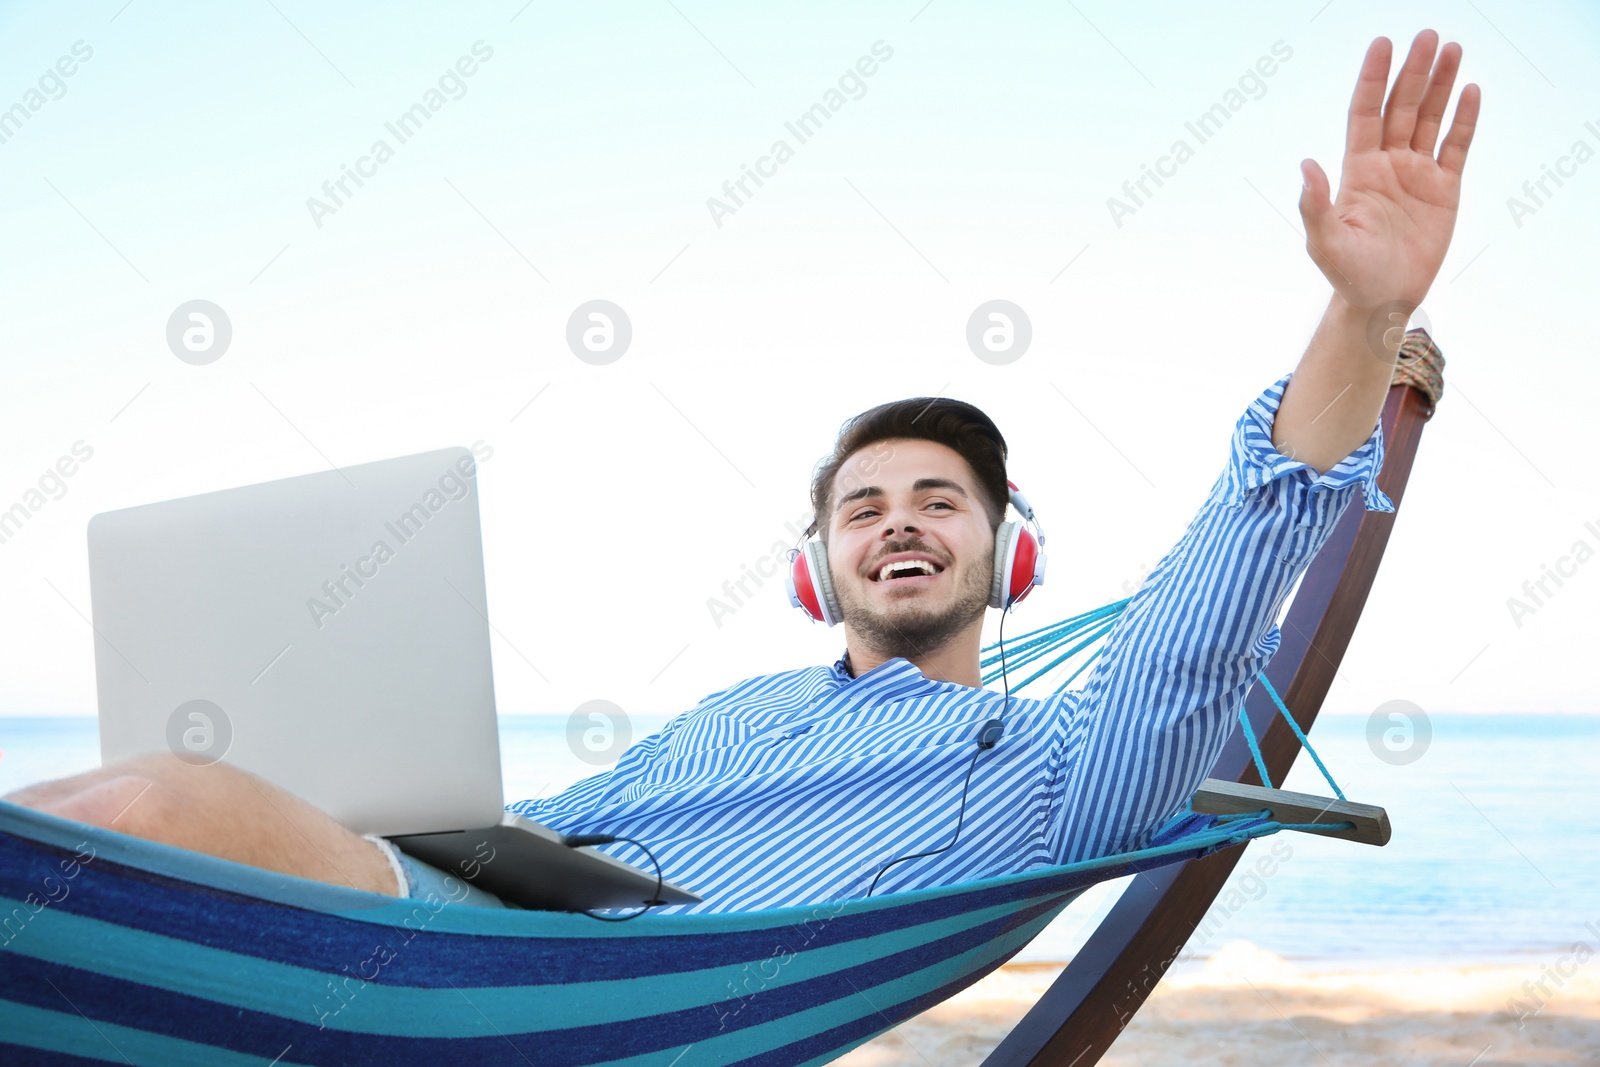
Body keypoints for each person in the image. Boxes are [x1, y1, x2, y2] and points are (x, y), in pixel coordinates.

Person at [4, 30, 1478, 914]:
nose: (896, 526)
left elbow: (1201, 617)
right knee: (126, 786)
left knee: (159, 812)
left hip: (579, 989)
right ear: (815, 566)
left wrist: (1360, 317)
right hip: (474, 896)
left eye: (937, 504)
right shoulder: (737, 711)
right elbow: (557, 838)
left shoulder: (1057, 767)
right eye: (862, 510)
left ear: (1006, 555)